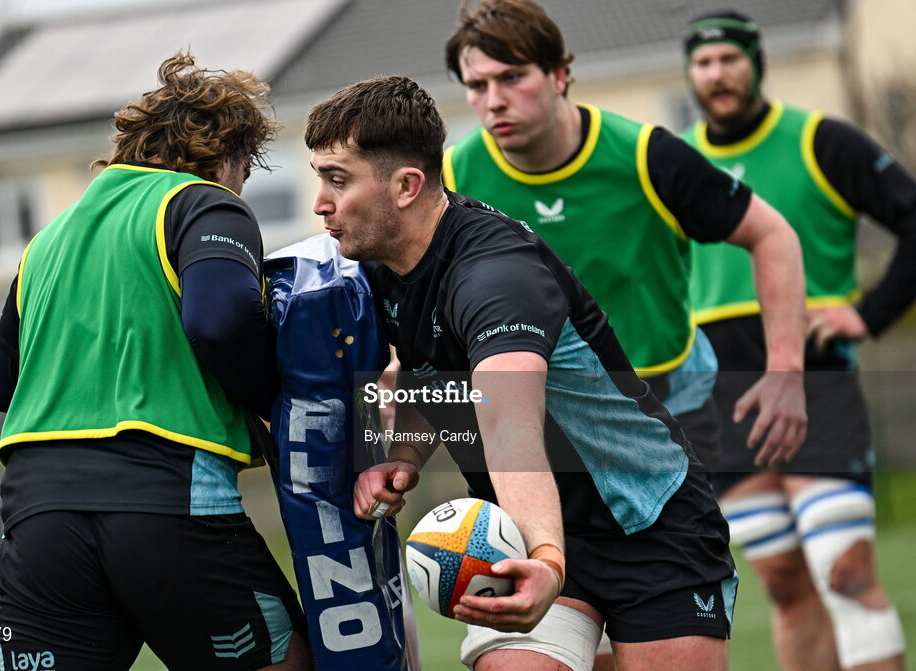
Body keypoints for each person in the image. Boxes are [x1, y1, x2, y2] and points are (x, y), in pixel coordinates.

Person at [307, 74, 738, 671]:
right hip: (516, 530)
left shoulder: (495, 275)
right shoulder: (380, 264)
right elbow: (428, 371)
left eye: (337, 180)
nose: (320, 203)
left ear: (406, 186)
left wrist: (549, 561)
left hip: (647, 520)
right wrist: (401, 455)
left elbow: (509, 423)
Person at [0, 52, 310, 671]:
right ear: (229, 158)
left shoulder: (47, 239)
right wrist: (273, 403)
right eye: (245, 171)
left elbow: (3, 385)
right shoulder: (205, 202)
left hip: (37, 519)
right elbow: (219, 321)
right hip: (166, 501)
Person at [442, 0, 808, 491]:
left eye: (512, 78)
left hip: (664, 401)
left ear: (559, 74)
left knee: (680, 566)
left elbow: (773, 235)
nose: (494, 100)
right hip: (542, 409)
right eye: (477, 86)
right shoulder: (453, 180)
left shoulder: (647, 157)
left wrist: (785, 371)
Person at [683, 10, 914, 671]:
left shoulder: (824, 141)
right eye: (702, 63)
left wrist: (869, 314)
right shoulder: (675, 159)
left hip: (815, 380)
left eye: (729, 58)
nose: (716, 74)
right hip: (719, 394)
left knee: (844, 568)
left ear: (757, 64)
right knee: (784, 581)